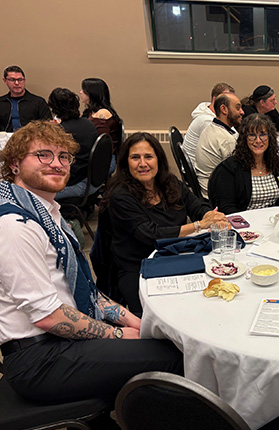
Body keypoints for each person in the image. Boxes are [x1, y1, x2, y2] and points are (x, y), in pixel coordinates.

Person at [0, 121, 183, 410]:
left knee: (166, 335)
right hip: (39, 359)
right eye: (43, 155)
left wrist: (138, 322)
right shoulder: (15, 225)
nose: (57, 164)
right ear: (14, 164)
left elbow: (85, 290)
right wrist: (118, 334)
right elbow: (48, 317)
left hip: (59, 341)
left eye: (63, 157)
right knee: (175, 358)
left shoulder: (47, 214)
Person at [103, 132, 227, 315]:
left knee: (209, 299)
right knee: (165, 314)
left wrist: (211, 215)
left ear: (158, 160)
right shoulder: (120, 196)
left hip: (173, 255)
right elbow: (150, 234)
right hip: (139, 266)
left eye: (148, 157)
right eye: (135, 157)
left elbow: (195, 205)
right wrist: (199, 225)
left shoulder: (170, 183)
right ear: (125, 162)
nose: (142, 163)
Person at [210, 114, 279, 214]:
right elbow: (227, 207)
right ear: (244, 138)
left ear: (270, 138)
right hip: (243, 220)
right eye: (252, 135)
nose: (258, 140)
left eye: (263, 135)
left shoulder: (277, 163)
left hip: (273, 219)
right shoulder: (230, 168)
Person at [47, 88, 100, 200]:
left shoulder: (62, 131)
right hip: (89, 176)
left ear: (54, 108)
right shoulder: (88, 123)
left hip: (74, 181)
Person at [195, 93, 244, 195]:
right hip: (216, 194)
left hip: (206, 186)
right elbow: (238, 174)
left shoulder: (210, 128)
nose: (242, 112)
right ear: (224, 109)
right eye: (237, 108)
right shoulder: (226, 140)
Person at [182, 82, 235, 166]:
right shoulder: (206, 121)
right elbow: (228, 145)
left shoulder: (211, 114)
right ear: (215, 100)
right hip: (198, 169)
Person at [1, 65, 52, 132]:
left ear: (24, 80)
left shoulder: (38, 102)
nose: (17, 83)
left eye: (20, 80)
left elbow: (48, 127)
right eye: (12, 80)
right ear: (5, 81)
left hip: (32, 137)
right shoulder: (1, 102)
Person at [80, 77, 122, 155]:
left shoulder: (102, 114)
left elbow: (100, 142)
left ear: (92, 93)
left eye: (84, 90)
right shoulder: (89, 112)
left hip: (105, 157)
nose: (80, 92)